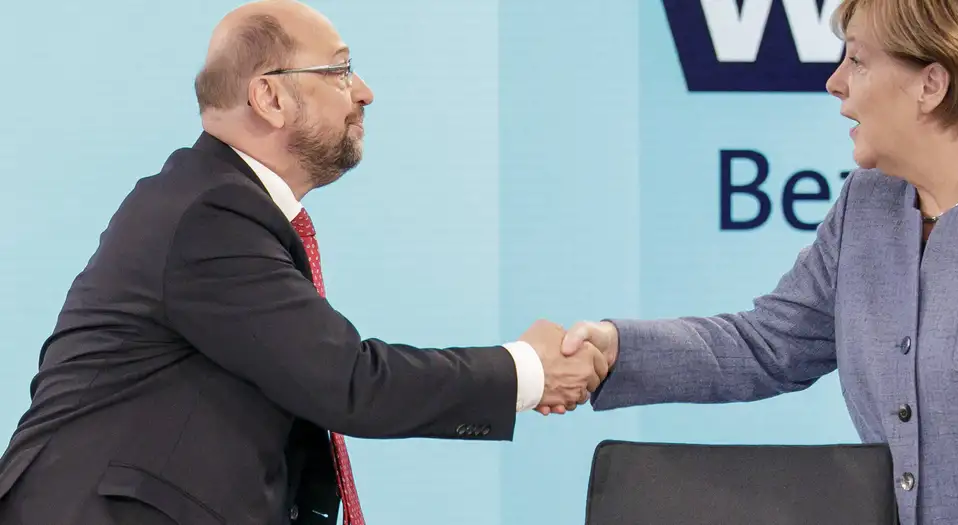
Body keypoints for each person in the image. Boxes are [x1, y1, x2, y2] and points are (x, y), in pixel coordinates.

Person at [551, 0, 958, 523]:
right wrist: (614, 350)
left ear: (931, 84)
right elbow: (769, 343)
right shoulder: (866, 203)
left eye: (857, 60)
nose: (835, 82)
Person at [0, 1, 608, 524]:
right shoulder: (209, 214)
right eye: (340, 70)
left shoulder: (216, 202)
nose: (364, 91)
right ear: (269, 96)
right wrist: (527, 370)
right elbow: (349, 382)